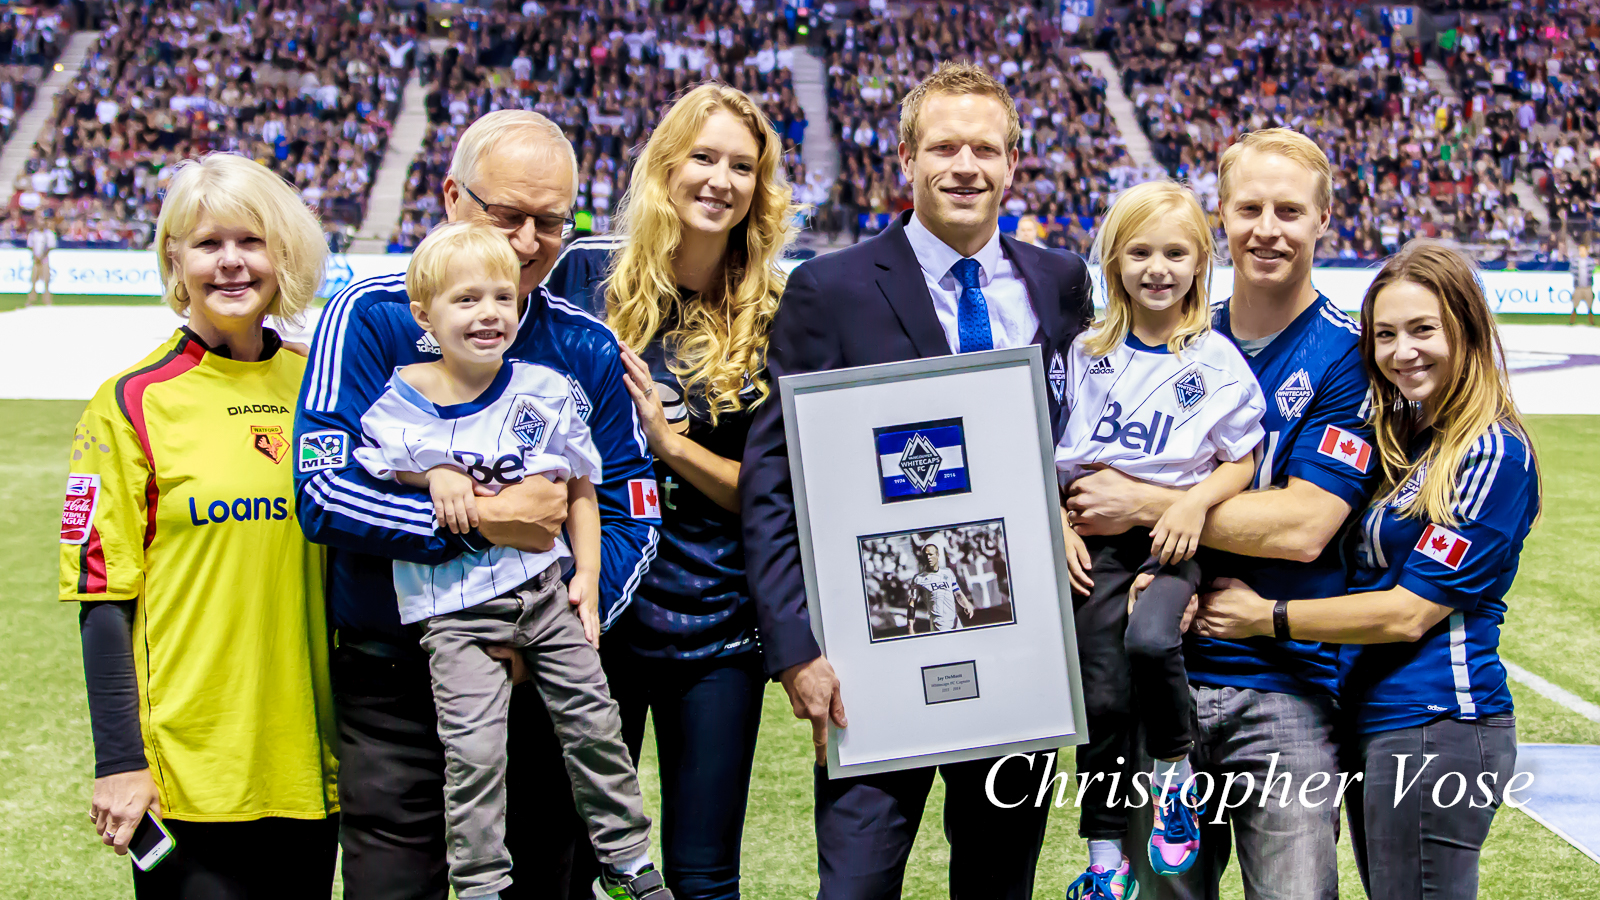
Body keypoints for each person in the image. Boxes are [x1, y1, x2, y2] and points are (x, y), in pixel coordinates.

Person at [741, 61, 1095, 899]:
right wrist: (796, 651)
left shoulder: (1061, 283)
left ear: (1014, 162)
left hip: (1016, 645)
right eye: (944, 146)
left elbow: (1082, 441)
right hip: (877, 650)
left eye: (985, 148)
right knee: (857, 884)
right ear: (905, 157)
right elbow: (774, 481)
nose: (964, 166)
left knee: (999, 881)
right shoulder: (830, 288)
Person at [294, 109, 660, 900]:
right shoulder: (370, 317)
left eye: (552, 221)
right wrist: (470, 520)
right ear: (453, 197)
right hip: (397, 683)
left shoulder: (585, 347)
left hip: (539, 687)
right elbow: (321, 493)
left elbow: (633, 504)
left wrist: (572, 612)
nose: (529, 241)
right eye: (508, 215)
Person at [1065, 128, 1380, 900]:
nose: (1267, 228)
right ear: (1221, 217)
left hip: (1283, 690)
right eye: (1249, 208)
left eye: (1289, 210)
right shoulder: (1169, 332)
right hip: (1158, 675)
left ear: (1324, 218)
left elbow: (1305, 527)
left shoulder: (1346, 354)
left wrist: (1142, 504)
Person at [1195, 240, 1538, 900]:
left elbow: (1408, 612)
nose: (1402, 351)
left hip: (1440, 719)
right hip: (1375, 720)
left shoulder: (1490, 451)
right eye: (1385, 335)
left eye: (1422, 330)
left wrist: (1266, 618)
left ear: (1465, 327)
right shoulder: (1407, 438)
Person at [61, 153, 339, 897]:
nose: (232, 264)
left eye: (251, 242)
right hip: (188, 771)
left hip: (313, 762)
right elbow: (101, 598)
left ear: (282, 254)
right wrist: (119, 760)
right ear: (173, 257)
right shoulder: (126, 404)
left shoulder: (320, 386)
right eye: (209, 243)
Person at [547, 82, 799, 900]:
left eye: (742, 166)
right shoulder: (582, 278)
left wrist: (668, 443)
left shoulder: (776, 310)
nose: (721, 180)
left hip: (718, 631)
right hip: (591, 620)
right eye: (703, 157)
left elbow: (768, 499)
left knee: (703, 877)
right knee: (570, 863)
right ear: (664, 164)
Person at [1055, 182, 1265, 900]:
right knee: (1102, 695)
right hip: (1097, 545)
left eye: (1175, 253)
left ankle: (1174, 772)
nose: (1157, 268)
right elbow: (1046, 452)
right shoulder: (1085, 354)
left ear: (1200, 263)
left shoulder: (1214, 360)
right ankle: (1105, 850)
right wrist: (1058, 520)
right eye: (1140, 252)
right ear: (1114, 261)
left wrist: (1194, 504)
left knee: (1150, 640)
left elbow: (1243, 458)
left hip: (1171, 537)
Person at [910, 543, 973, 633]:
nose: (928, 557)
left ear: (937, 555)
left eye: (931, 554)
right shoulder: (919, 579)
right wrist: (910, 625)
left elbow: (957, 593)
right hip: (939, 624)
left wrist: (966, 605)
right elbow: (912, 602)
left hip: (955, 621)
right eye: (926, 555)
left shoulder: (947, 572)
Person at [26, 213, 56, 306]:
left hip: (44, 260)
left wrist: (42, 256)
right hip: (36, 260)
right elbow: (30, 246)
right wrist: (35, 256)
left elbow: (50, 247)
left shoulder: (49, 234)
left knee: (46, 280)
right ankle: (31, 300)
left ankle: (47, 300)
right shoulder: (33, 234)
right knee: (33, 280)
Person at [1570, 239, 1593, 326]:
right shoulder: (1575, 261)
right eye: (1581, 250)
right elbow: (1572, 270)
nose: (1582, 252)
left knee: (1590, 305)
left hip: (1587, 287)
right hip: (1578, 287)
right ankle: (1572, 320)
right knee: (1575, 305)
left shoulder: (1590, 261)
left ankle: (1591, 321)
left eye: (1583, 250)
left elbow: (1591, 271)